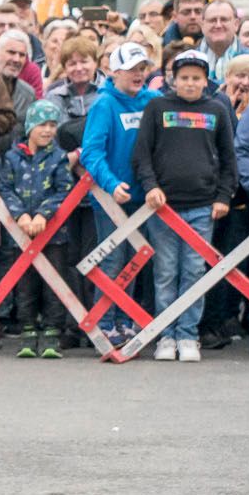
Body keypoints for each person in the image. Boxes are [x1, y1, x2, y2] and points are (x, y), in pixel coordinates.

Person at [129, 48, 236, 361]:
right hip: (163, 207)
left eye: (196, 78)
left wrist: (223, 196)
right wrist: (150, 186)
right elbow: (142, 154)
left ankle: (188, 334)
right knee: (165, 271)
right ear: (173, 80)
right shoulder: (157, 107)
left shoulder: (216, 110)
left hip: (203, 206)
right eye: (184, 77)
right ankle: (166, 334)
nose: (190, 83)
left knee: (193, 270)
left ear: (206, 80)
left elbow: (229, 158)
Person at [80, 41, 157, 341]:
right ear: (114, 72)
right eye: (131, 69)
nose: (138, 74)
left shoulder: (153, 100)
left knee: (135, 259)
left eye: (142, 68)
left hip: (144, 197)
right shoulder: (104, 104)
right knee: (113, 259)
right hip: (111, 199)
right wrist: (111, 184)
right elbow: (91, 152)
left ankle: (124, 318)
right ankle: (105, 320)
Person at [0, 100, 73, 358]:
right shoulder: (12, 157)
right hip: (20, 233)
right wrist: (20, 215)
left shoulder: (59, 157)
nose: (48, 130)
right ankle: (27, 330)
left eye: (52, 125)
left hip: (54, 234)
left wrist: (44, 214)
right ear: (30, 126)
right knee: (25, 283)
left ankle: (53, 331)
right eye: (42, 124)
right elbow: (4, 188)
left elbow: (64, 189)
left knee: (53, 281)